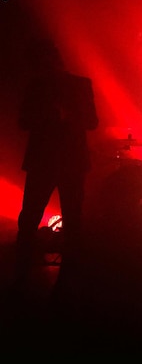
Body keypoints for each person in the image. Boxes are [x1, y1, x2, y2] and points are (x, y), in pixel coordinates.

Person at [15, 38, 99, 286]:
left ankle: (22, 276)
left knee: (32, 217)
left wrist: (63, 116)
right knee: (68, 218)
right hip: (67, 161)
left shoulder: (37, 86)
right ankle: (69, 278)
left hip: (48, 161)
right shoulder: (76, 85)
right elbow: (92, 122)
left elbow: (91, 122)